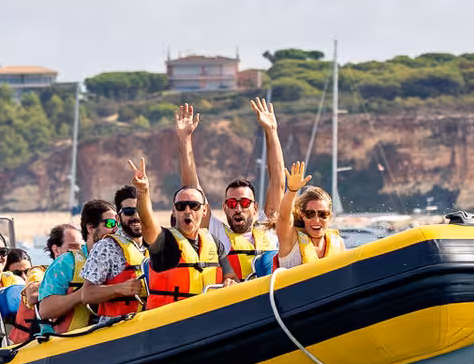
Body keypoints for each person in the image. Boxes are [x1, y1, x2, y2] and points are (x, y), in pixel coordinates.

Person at [175, 98, 286, 282]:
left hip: (271, 296)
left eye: (244, 203)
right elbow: (192, 188)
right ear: (225, 208)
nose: (238, 209)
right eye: (232, 203)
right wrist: (184, 139)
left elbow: (278, 182)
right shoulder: (217, 233)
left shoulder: (267, 226)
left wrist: (271, 131)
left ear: (255, 208)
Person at [128, 155, 222, 309]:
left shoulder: (214, 242)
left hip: (208, 319)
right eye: (181, 206)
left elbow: (230, 276)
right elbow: (146, 222)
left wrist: (230, 281)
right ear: (174, 210)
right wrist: (143, 192)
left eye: (194, 206)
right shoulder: (164, 243)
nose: (187, 211)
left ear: (204, 210)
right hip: (170, 322)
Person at [35, 199, 143, 331]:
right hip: (67, 342)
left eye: (118, 224)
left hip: (113, 333)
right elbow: (45, 310)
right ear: (91, 228)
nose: (116, 229)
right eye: (110, 223)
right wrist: (84, 293)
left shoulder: (124, 257)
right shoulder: (66, 264)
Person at [273, 159, 347, 269]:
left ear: (330, 217)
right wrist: (292, 191)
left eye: (323, 214)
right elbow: (284, 216)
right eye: (310, 214)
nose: (316, 220)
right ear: (302, 215)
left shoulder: (338, 243)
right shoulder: (289, 239)